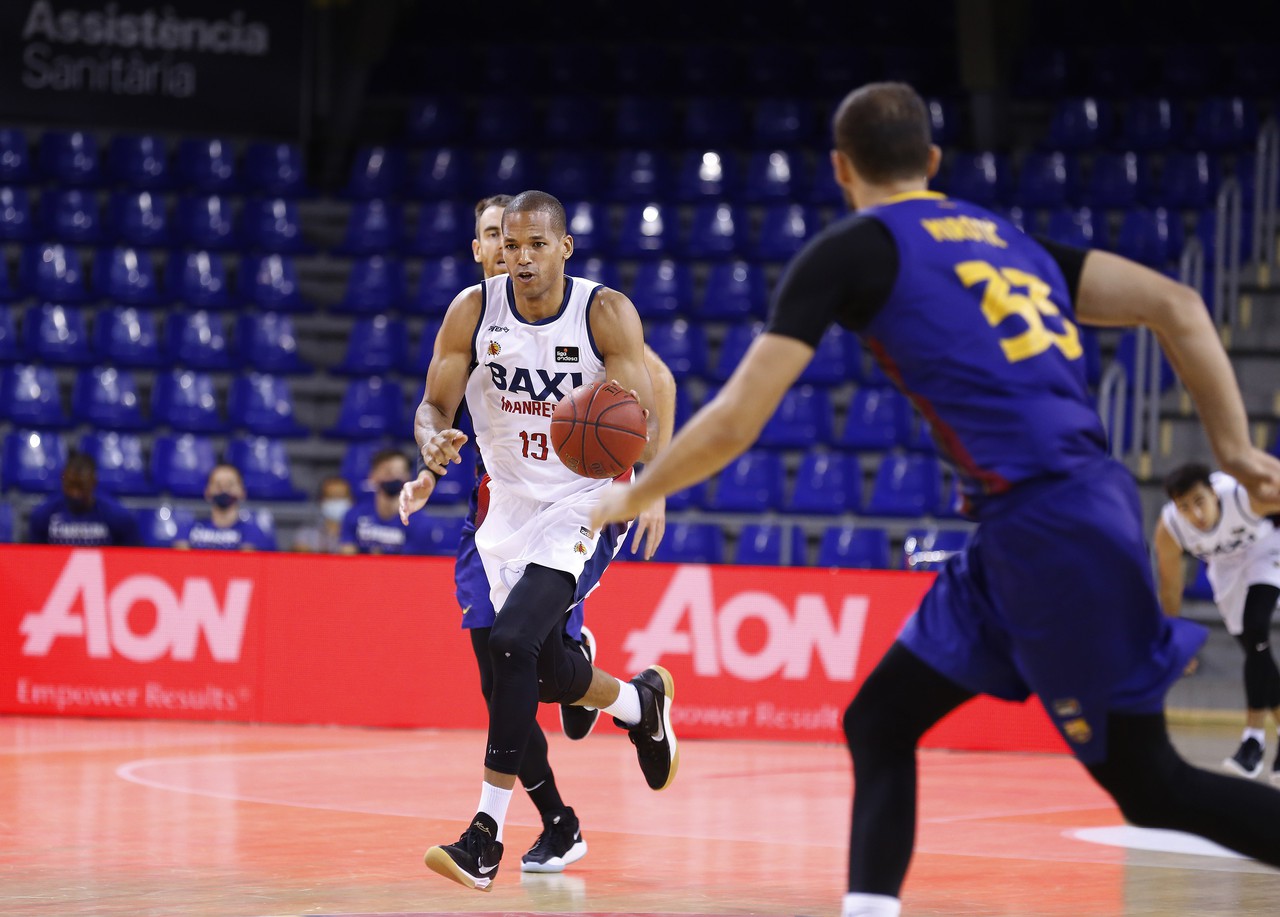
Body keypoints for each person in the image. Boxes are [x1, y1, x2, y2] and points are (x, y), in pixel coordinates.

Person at [589, 82, 1280, 917]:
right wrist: (1236, 449)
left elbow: (736, 419)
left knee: (1152, 784)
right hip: (1023, 523)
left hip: (1050, 523)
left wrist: (630, 496)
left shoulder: (853, 250)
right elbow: (1177, 304)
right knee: (879, 720)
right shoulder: (1008, 239)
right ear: (934, 162)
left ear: (842, 169)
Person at [400, 189, 678, 892]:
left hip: (582, 505)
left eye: (532, 245)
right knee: (531, 677)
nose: (519, 257)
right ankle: (639, 704)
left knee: (514, 645)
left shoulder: (604, 312)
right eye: (509, 244)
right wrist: (434, 440)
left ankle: (484, 834)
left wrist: (651, 481)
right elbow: (433, 402)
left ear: (563, 248)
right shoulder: (472, 310)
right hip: (504, 511)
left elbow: (656, 389)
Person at [1154, 462, 1280, 782]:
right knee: (1255, 648)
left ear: (1213, 493)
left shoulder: (1243, 498)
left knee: (1255, 627)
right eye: (1184, 506)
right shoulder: (1170, 528)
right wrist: (1174, 642)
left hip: (1267, 549)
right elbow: (1170, 588)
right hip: (1225, 568)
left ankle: (1252, 739)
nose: (1195, 513)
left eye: (1199, 501)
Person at [27, 451, 141, 546]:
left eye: (81, 487)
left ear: (93, 482)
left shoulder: (118, 516)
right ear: (63, 480)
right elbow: (34, 557)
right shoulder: (43, 515)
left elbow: (133, 557)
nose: (75, 493)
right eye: (70, 486)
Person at [340, 449, 432, 555]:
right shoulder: (354, 515)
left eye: (399, 472)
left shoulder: (420, 522)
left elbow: (411, 565)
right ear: (372, 475)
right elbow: (347, 556)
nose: (394, 476)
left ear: (407, 477)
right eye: (388, 472)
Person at [174, 463, 275, 551]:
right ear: (207, 491)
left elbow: (247, 565)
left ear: (242, 491)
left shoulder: (253, 531)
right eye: (218, 484)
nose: (224, 489)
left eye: (230, 484)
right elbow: (180, 562)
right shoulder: (189, 529)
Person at [291, 475, 354, 553]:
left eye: (341, 496)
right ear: (322, 501)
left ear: (351, 500)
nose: (336, 501)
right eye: (331, 497)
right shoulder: (306, 534)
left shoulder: (359, 535)